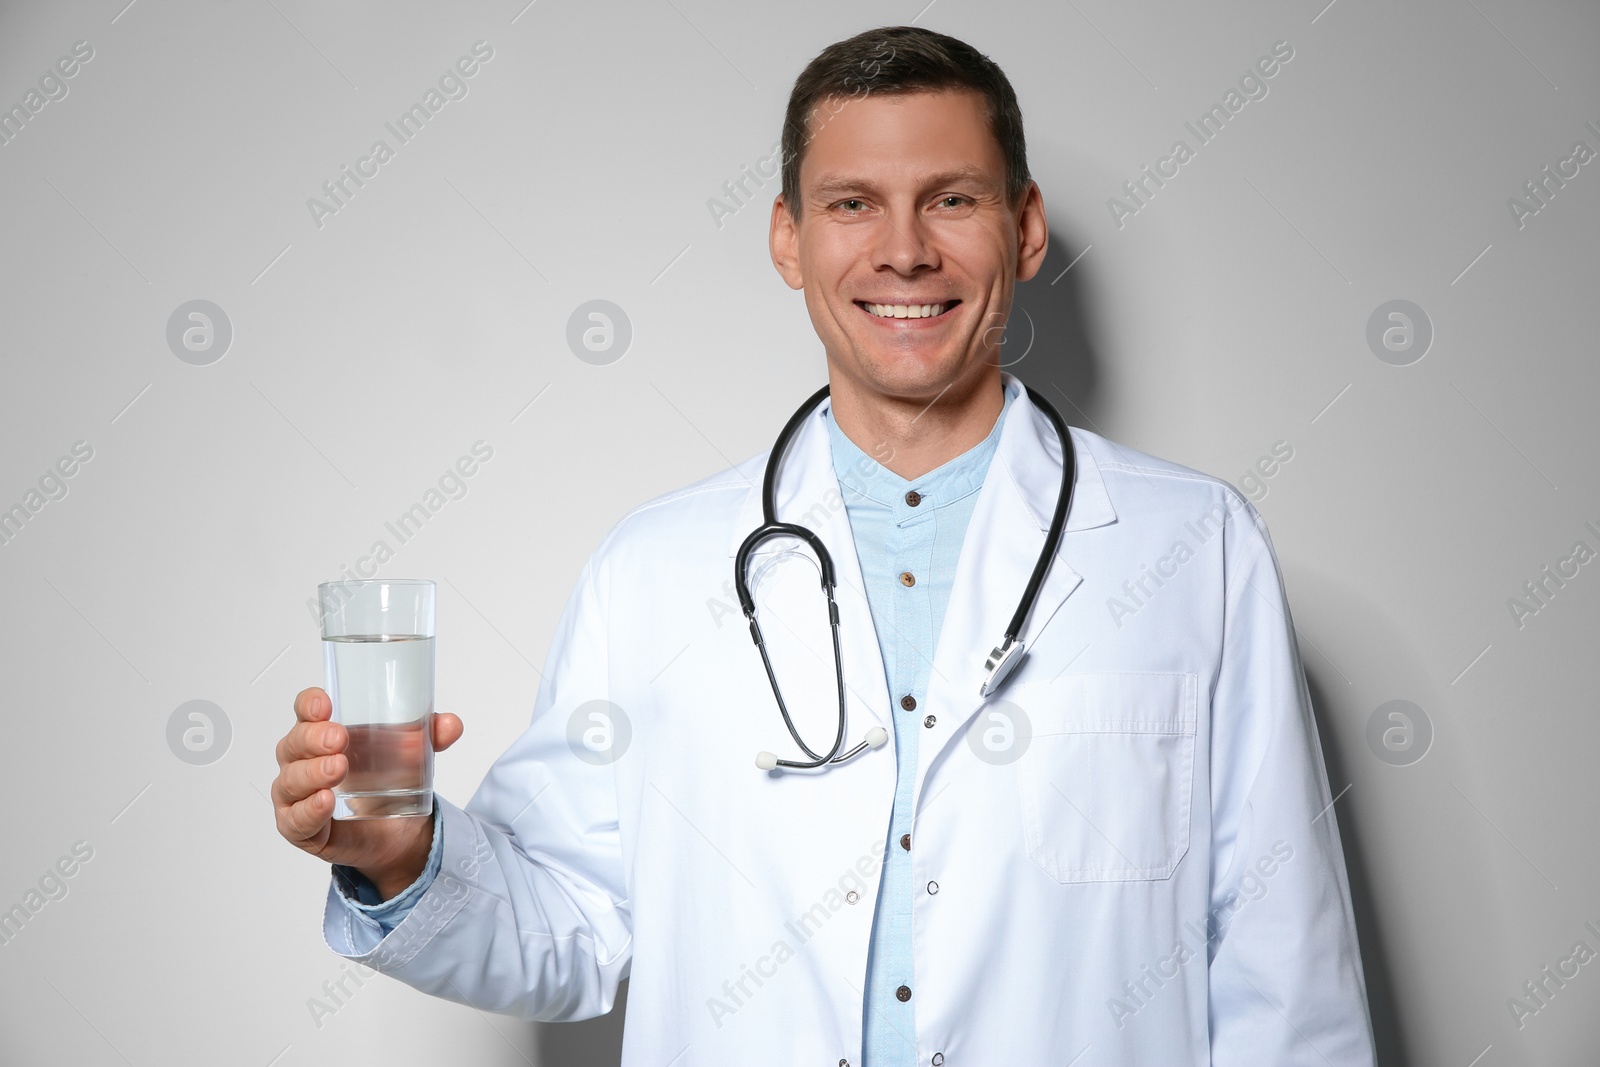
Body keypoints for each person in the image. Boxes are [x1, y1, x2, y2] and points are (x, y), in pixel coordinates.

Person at [273, 25, 1377, 1066]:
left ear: (1025, 227)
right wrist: (402, 855)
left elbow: (1285, 968)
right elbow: (572, 927)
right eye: (852, 203)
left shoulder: (1196, 546)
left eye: (951, 198)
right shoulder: (654, 568)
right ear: (787, 239)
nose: (904, 250)